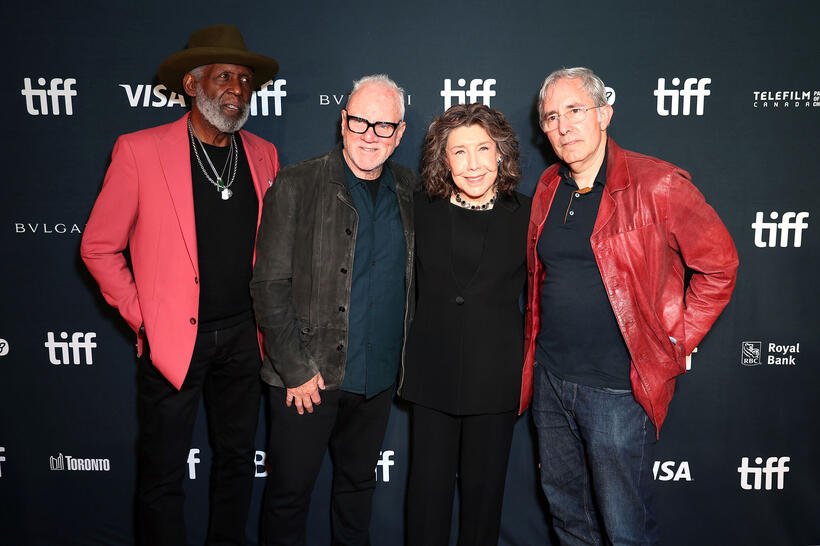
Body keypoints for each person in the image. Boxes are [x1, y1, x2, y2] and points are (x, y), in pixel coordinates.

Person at [520, 67, 739, 545]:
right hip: (552, 384)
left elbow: (719, 268)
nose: (564, 126)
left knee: (627, 529)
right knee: (568, 518)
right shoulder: (548, 188)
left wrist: (672, 343)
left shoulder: (659, 184)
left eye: (576, 111)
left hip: (618, 393)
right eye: (552, 117)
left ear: (605, 113)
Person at [80, 25, 279, 545]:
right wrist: (142, 313)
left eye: (243, 78)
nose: (236, 88)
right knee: (163, 471)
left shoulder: (262, 153)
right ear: (192, 85)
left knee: (236, 462)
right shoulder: (139, 150)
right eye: (223, 77)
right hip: (174, 342)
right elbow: (98, 247)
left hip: (244, 336)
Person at [250, 74, 416, 545]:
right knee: (288, 497)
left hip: (378, 377)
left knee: (357, 492)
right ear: (343, 123)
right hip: (308, 380)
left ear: (399, 133)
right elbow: (268, 284)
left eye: (383, 126)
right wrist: (296, 370)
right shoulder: (297, 183)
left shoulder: (411, 190)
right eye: (360, 121)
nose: (370, 134)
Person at [401, 103, 530, 546]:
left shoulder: (529, 215)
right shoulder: (418, 210)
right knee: (425, 503)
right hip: (430, 377)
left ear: (501, 154)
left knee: (483, 505)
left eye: (483, 149)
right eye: (459, 153)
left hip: (495, 379)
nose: (472, 164)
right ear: (443, 159)